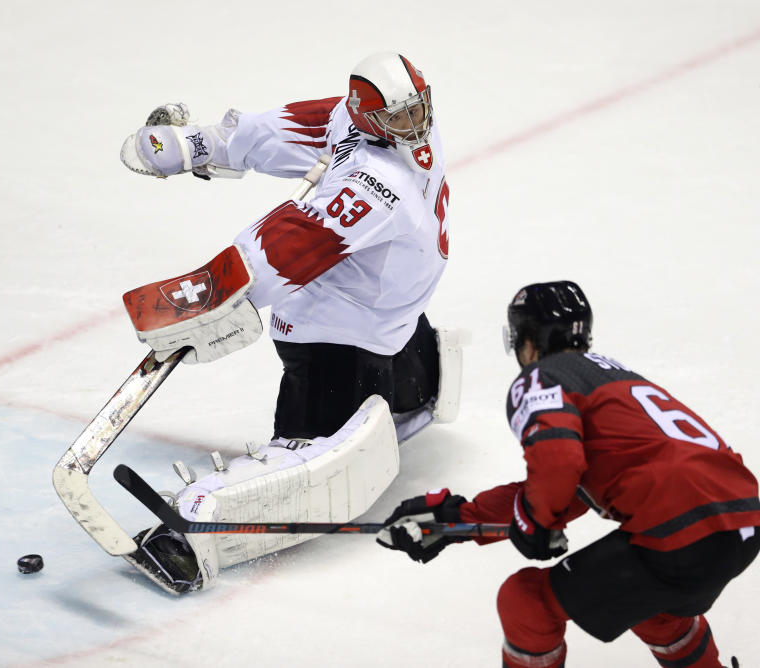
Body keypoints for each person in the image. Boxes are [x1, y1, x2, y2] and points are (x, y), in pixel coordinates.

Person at [116, 52, 467, 593]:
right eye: (398, 116)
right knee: (328, 433)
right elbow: (288, 190)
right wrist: (200, 149)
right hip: (358, 327)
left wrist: (198, 148)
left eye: (419, 109)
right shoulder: (366, 156)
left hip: (366, 326)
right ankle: (188, 536)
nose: (414, 125)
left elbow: (285, 190)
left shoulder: (373, 152)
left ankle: (194, 533)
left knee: (334, 436)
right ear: (368, 117)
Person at [377, 280, 760, 667]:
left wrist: (535, 522)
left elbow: (558, 463)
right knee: (655, 611)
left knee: (526, 601)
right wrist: (459, 520)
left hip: (679, 523)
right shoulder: (611, 376)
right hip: (741, 521)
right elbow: (568, 487)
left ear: (529, 339)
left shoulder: (543, 377)